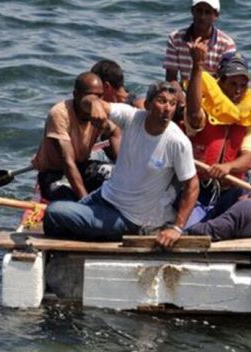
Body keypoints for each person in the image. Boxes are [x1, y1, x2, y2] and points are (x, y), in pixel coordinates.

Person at [43, 81, 199, 248]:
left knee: (54, 212)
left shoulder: (178, 142)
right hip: (105, 196)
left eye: (172, 103)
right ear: (147, 104)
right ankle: (87, 235)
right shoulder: (132, 117)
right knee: (56, 218)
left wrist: (176, 228)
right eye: (161, 101)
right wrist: (95, 104)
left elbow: (192, 185)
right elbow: (84, 101)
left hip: (130, 218)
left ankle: (89, 238)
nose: (167, 108)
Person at [183, 37, 251, 226]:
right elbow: (194, 115)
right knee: (191, 229)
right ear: (220, 82)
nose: (238, 91)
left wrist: (228, 167)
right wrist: (197, 66)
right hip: (198, 189)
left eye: (242, 85)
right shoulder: (203, 107)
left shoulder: (250, 116)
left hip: (233, 191)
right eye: (233, 84)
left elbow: (250, 157)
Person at [31, 72, 121, 201]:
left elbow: (114, 132)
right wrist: (85, 203)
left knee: (116, 174)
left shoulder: (101, 111)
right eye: (91, 96)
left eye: (100, 96)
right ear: (76, 95)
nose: (96, 101)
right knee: (69, 199)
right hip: (55, 173)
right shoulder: (60, 113)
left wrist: (119, 161)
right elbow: (68, 162)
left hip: (83, 166)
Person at [163, 0, 236, 84]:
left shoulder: (227, 44)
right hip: (184, 91)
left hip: (214, 92)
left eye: (207, 12)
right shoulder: (176, 38)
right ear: (192, 11)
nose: (202, 17)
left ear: (216, 15)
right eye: (199, 11)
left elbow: (226, 81)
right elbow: (171, 78)